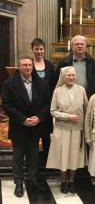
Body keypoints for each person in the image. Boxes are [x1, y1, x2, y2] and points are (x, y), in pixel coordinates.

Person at [1, 57, 50, 197]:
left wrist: (39, 118)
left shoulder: (42, 83)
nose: (28, 67)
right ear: (19, 67)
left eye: (30, 65)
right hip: (19, 126)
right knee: (18, 156)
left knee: (34, 155)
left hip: (35, 126)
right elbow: (7, 105)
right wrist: (22, 119)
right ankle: (18, 183)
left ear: (33, 67)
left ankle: (33, 179)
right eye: (24, 65)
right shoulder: (9, 84)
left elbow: (47, 103)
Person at [46, 66, 88, 194]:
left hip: (77, 129)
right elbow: (52, 111)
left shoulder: (81, 90)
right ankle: (63, 180)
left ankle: (71, 180)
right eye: (68, 75)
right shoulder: (57, 91)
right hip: (62, 129)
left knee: (74, 156)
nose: (71, 78)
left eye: (73, 75)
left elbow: (87, 109)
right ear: (63, 77)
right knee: (63, 155)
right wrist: (68, 116)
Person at [31, 38, 55, 165]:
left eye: (41, 49)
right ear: (32, 50)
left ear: (44, 50)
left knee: (46, 136)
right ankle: (33, 162)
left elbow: (53, 84)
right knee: (33, 137)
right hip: (32, 106)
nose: (39, 51)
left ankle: (47, 161)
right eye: (36, 49)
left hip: (46, 105)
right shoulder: (28, 64)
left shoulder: (50, 65)